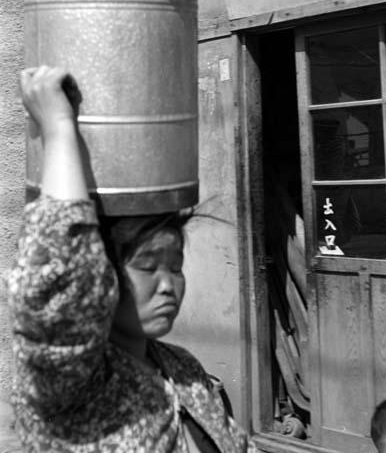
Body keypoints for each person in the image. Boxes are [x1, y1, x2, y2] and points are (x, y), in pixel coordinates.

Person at [8, 66, 257, 452]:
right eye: (147, 266)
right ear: (100, 273)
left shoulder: (184, 370)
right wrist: (59, 130)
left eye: (175, 267)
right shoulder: (70, 384)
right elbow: (60, 284)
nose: (168, 286)